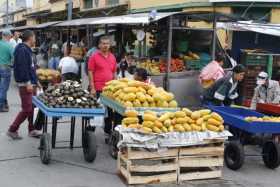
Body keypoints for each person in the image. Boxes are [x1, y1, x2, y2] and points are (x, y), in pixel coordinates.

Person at [7, 30, 41, 140]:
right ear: (30, 38)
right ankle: (12, 129)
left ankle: (31, 129)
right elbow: (22, 68)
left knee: (32, 108)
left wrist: (36, 81)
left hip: (32, 82)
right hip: (25, 84)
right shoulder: (22, 50)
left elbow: (31, 67)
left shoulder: (27, 50)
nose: (35, 40)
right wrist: (28, 83)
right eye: (34, 37)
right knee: (27, 109)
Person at [88, 36, 117, 137]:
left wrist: (116, 86)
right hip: (98, 88)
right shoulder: (94, 56)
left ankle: (107, 133)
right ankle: (90, 133)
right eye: (103, 43)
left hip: (109, 89)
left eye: (107, 43)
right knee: (96, 111)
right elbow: (90, 72)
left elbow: (114, 72)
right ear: (99, 45)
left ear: (109, 45)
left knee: (109, 112)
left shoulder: (112, 57)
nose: (105, 45)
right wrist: (92, 87)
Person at [0, 30, 13, 112]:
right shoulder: (9, 46)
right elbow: (14, 58)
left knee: (1, 87)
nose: (10, 38)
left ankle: (4, 103)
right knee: (3, 88)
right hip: (5, 68)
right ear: (7, 36)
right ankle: (1, 106)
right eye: (10, 36)